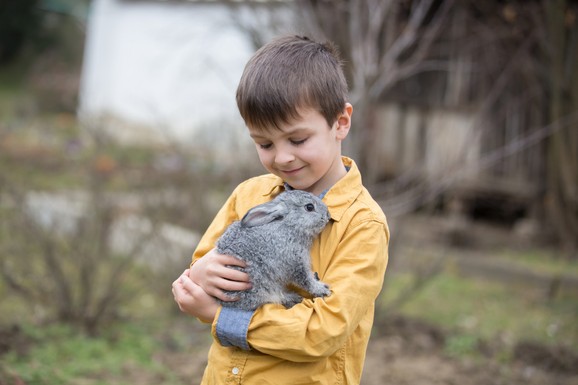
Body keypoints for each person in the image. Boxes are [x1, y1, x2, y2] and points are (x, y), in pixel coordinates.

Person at [172, 35, 389, 385]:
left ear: (340, 122)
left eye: (298, 140)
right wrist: (199, 275)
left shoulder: (362, 225)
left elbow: (322, 331)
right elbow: (200, 273)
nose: (282, 157)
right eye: (265, 143)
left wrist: (222, 317)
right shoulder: (250, 195)